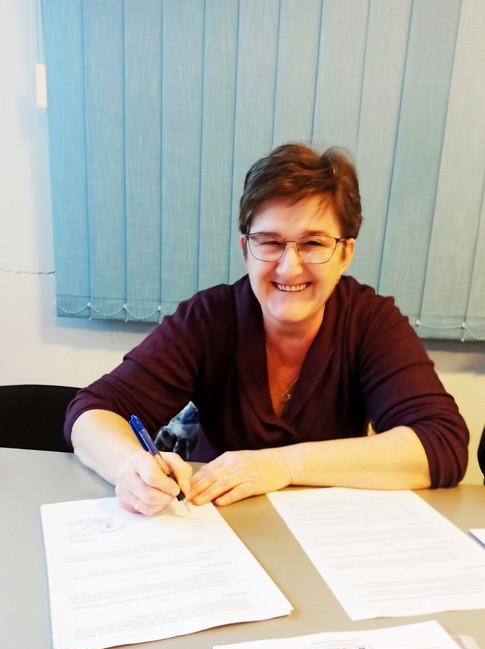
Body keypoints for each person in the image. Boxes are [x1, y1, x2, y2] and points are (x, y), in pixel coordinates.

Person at [65, 143, 469, 515]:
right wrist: (129, 466)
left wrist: (284, 464)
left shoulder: (369, 321)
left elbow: (442, 442)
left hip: (327, 531)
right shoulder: (210, 318)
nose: (289, 268)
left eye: (313, 243)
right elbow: (91, 411)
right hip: (213, 526)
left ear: (345, 253)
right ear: (246, 249)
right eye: (270, 242)